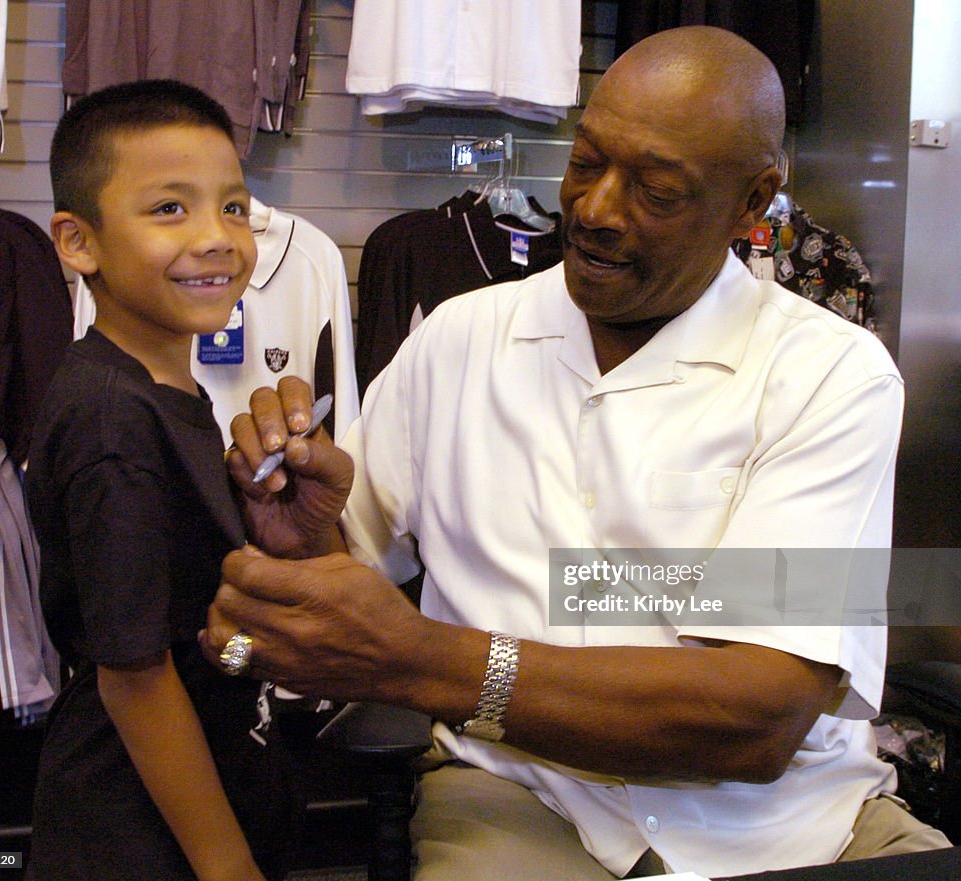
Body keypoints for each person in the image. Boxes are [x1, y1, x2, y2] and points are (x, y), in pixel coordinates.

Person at [203, 27, 953, 880]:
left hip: (796, 824)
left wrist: (421, 657)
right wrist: (306, 538)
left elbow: (760, 717)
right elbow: (353, 585)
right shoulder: (461, 343)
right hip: (523, 800)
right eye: (585, 162)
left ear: (755, 203)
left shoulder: (829, 374)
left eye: (656, 191)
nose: (595, 209)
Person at [24, 80, 304, 881]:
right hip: (137, 829)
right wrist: (227, 866)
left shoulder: (158, 390)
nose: (218, 238)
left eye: (234, 207)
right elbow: (136, 675)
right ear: (79, 243)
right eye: (170, 210)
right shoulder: (115, 419)